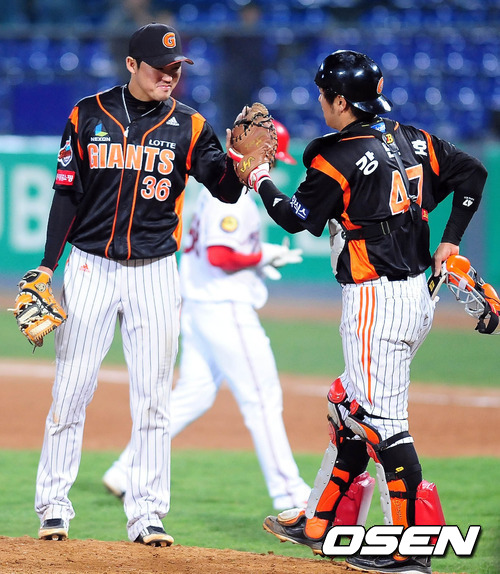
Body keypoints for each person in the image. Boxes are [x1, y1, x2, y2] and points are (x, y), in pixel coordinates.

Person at [235, 50, 487, 574]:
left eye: (323, 94)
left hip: (377, 302)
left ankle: (411, 551)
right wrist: (451, 240)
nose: (320, 101)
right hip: (415, 294)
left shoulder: (337, 155)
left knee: (383, 426)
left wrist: (258, 178)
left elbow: (297, 218)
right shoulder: (413, 138)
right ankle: (320, 521)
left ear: (341, 101)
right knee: (346, 408)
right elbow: (473, 175)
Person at [32, 22, 243, 547]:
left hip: (155, 273)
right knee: (71, 391)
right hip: (89, 268)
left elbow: (225, 191)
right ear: (131, 64)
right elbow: (66, 194)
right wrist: (48, 265)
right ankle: (53, 507)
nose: (169, 76)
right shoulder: (87, 115)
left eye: (176, 69)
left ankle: (147, 513)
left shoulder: (191, 125)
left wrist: (241, 168)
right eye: (160, 68)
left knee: (153, 400)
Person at [102, 120, 311, 511]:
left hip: (201, 307)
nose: (273, 166)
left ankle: (126, 469)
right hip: (224, 309)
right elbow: (220, 255)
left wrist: (256, 259)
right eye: (271, 157)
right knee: (262, 399)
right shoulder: (232, 198)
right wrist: (260, 256)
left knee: (193, 395)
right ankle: (291, 494)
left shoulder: (218, 191)